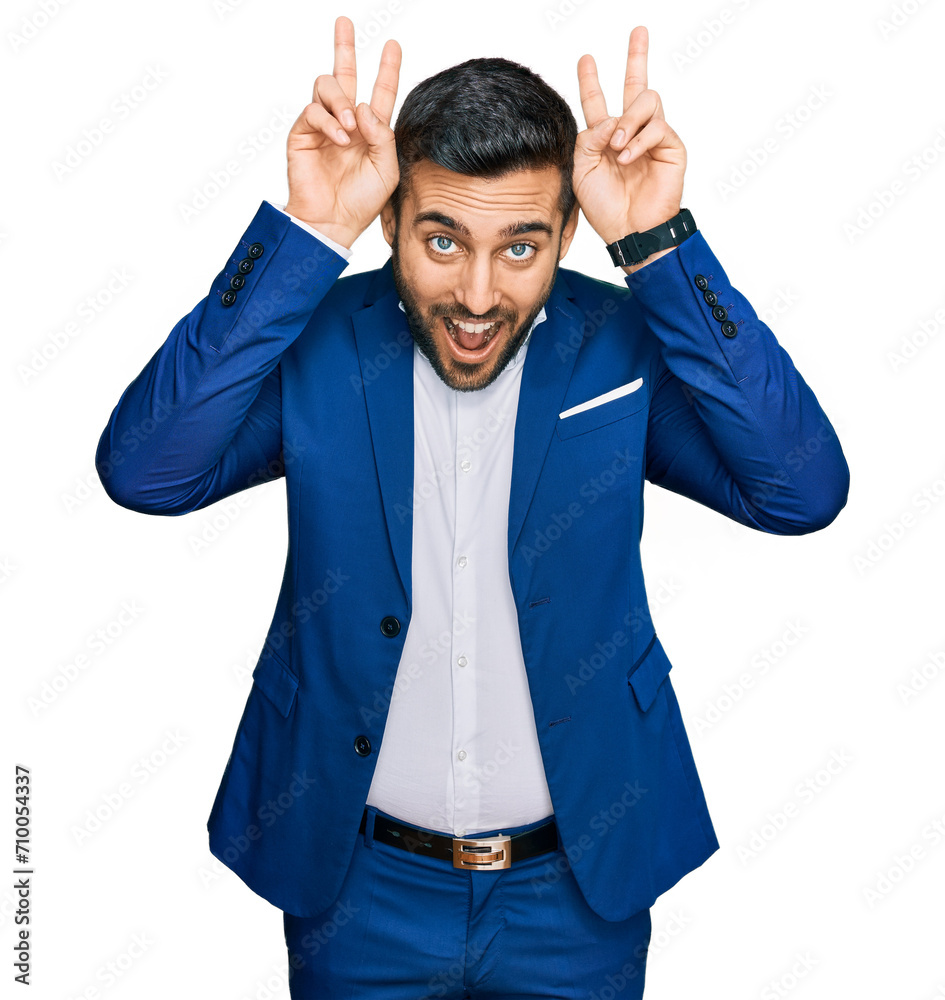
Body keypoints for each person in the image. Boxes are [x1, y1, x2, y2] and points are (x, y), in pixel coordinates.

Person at [95, 16, 849, 999]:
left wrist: (659, 243)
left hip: (577, 888)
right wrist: (307, 231)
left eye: (522, 247)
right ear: (392, 220)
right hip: (357, 885)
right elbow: (147, 470)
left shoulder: (621, 341)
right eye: (442, 239)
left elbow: (801, 489)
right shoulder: (319, 339)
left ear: (570, 234)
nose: (479, 293)